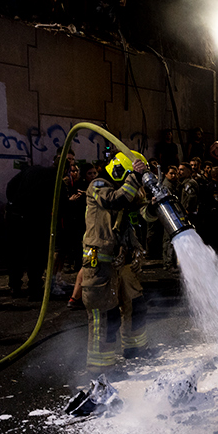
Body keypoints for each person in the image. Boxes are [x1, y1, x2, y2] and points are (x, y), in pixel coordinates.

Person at [82, 150, 156, 375]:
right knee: (105, 313)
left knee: (136, 304)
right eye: (130, 175)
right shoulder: (98, 185)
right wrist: (134, 177)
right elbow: (113, 201)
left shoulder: (128, 188)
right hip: (100, 261)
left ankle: (135, 349)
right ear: (120, 170)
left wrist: (153, 206)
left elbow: (143, 214)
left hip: (123, 258)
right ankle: (100, 366)